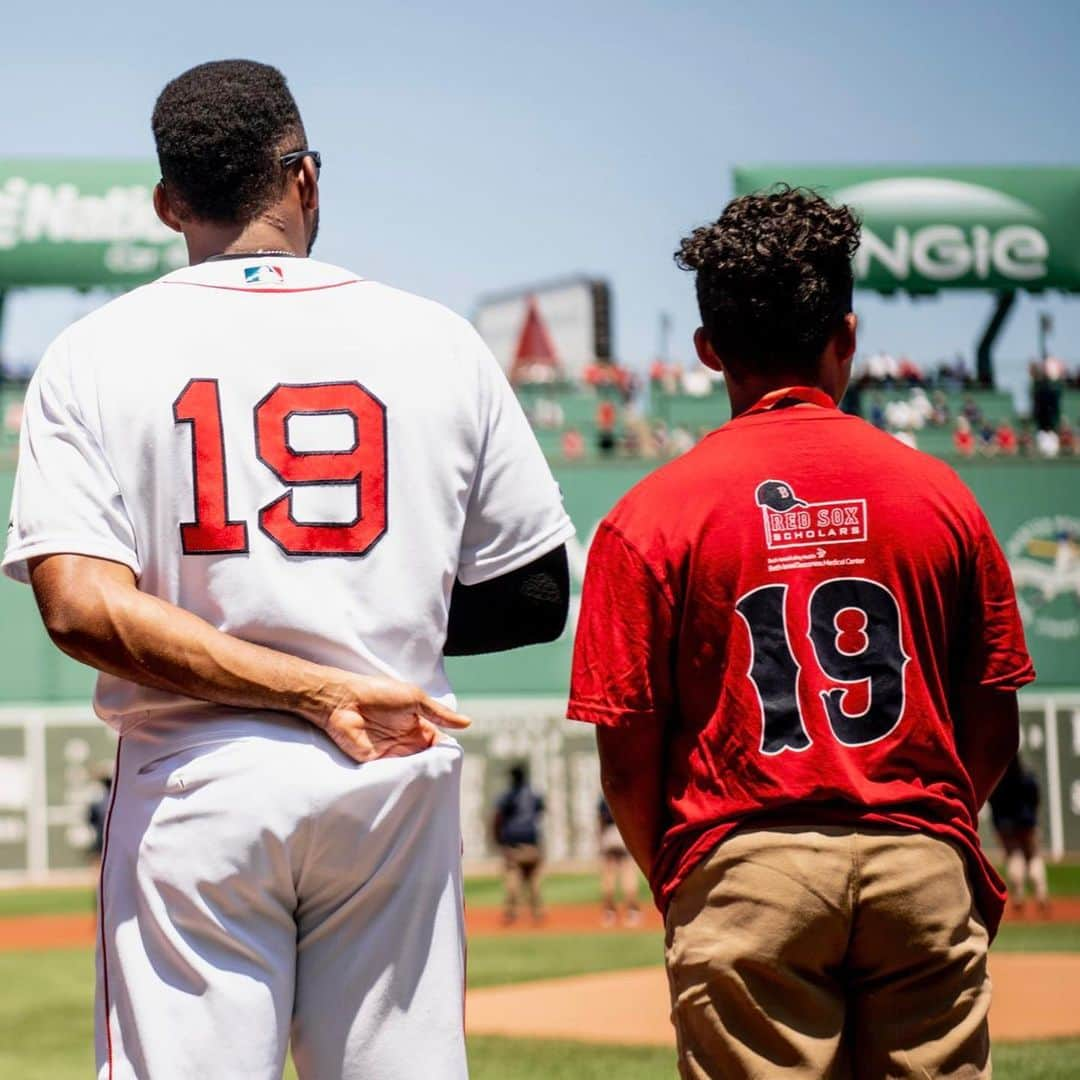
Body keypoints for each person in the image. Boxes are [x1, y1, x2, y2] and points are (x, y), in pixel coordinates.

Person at [3, 60, 574, 1080]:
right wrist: (361, 630)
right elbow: (534, 594)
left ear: (167, 203)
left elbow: (82, 610)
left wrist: (302, 679)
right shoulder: (437, 339)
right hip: (393, 770)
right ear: (305, 178)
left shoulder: (93, 352)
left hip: (196, 778)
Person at [568, 187, 1034, 1080]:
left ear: (708, 351)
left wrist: (687, 877)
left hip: (747, 863)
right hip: (920, 858)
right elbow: (993, 720)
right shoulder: (944, 497)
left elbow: (626, 760)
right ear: (848, 336)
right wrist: (926, 831)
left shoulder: (649, 515)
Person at [989, 755, 1049, 914]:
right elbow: (1036, 799)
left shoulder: (998, 780)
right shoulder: (1027, 778)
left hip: (1005, 825)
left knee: (1014, 857)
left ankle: (1018, 896)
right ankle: (1041, 894)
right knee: (1034, 856)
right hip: (1027, 823)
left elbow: (993, 803)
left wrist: (998, 825)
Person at [493, 764, 545, 924]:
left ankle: (511, 913)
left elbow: (497, 818)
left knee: (513, 877)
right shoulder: (534, 795)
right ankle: (537, 913)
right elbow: (541, 812)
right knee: (534, 879)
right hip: (532, 842)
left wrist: (498, 839)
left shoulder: (508, 796)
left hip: (514, 844)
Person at [598, 796, 640, 926]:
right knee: (628, 873)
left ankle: (609, 913)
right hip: (624, 832)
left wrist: (600, 839)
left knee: (608, 875)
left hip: (609, 834)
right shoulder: (628, 792)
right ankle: (632, 912)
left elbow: (601, 821)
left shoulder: (604, 796)